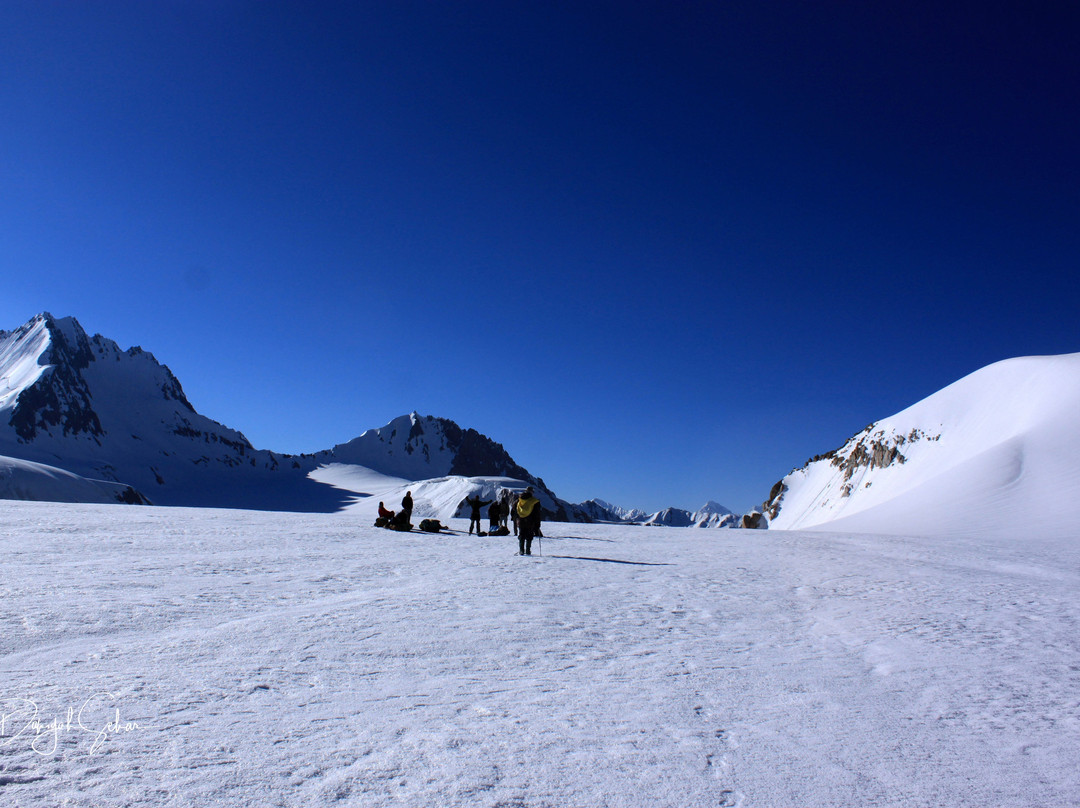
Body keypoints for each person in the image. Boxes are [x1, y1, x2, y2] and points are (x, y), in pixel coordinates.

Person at [515, 486, 542, 556]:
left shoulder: (519, 500)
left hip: (521, 520)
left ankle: (521, 550)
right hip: (530, 521)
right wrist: (537, 523)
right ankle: (527, 550)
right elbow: (537, 513)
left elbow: (514, 508)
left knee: (521, 534)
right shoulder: (534, 501)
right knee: (529, 535)